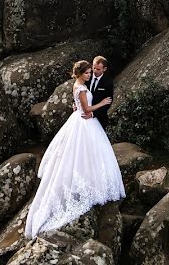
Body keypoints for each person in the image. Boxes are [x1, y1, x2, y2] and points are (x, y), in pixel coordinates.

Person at [23, 60, 125, 238]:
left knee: (85, 152)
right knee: (84, 152)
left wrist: (81, 106)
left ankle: (87, 176)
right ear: (79, 74)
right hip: (84, 121)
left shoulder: (78, 85)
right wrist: (101, 104)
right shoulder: (82, 88)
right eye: (87, 73)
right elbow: (86, 108)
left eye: (90, 72)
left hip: (80, 119)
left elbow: (79, 105)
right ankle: (85, 181)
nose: (90, 75)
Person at [86, 55, 114, 131]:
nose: (95, 71)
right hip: (83, 116)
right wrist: (74, 103)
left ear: (104, 69)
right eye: (93, 68)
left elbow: (108, 102)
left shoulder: (108, 82)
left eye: (98, 69)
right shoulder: (86, 76)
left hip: (99, 118)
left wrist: (93, 114)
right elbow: (78, 91)